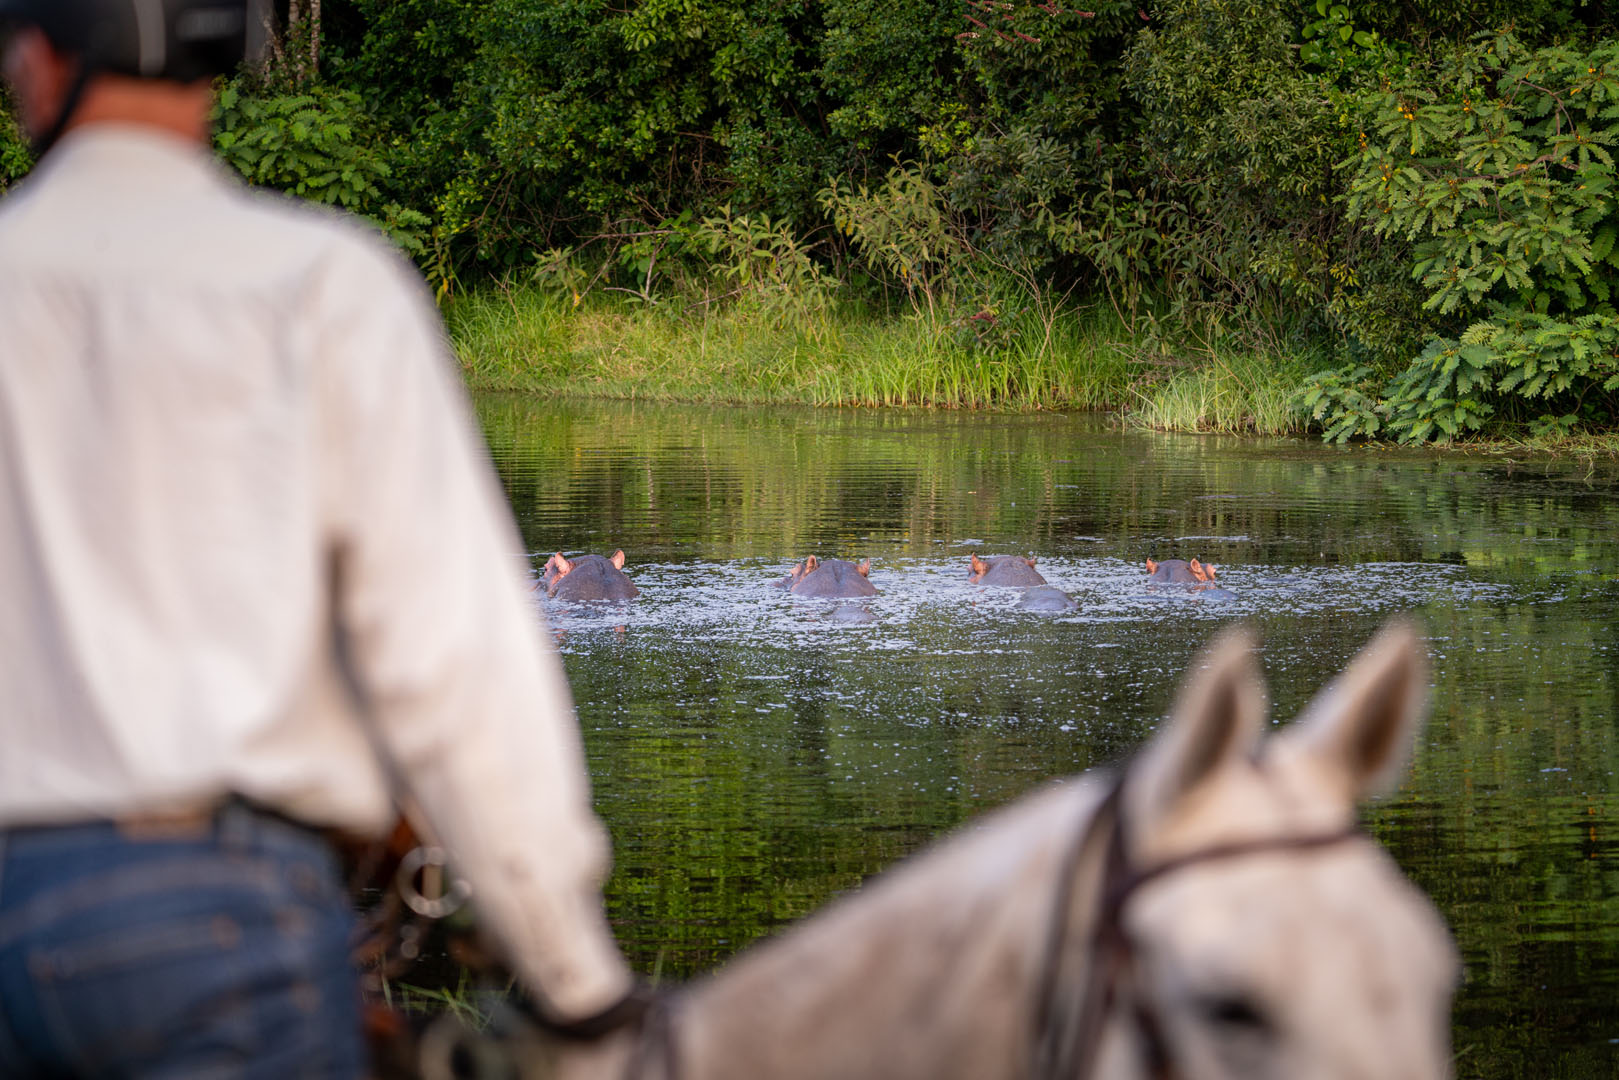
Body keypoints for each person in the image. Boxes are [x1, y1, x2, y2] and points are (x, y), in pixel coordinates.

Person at [0, 2, 633, 1075]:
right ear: (220, 61)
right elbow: (459, 672)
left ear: (36, 59)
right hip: (229, 924)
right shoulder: (326, 286)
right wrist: (575, 985)